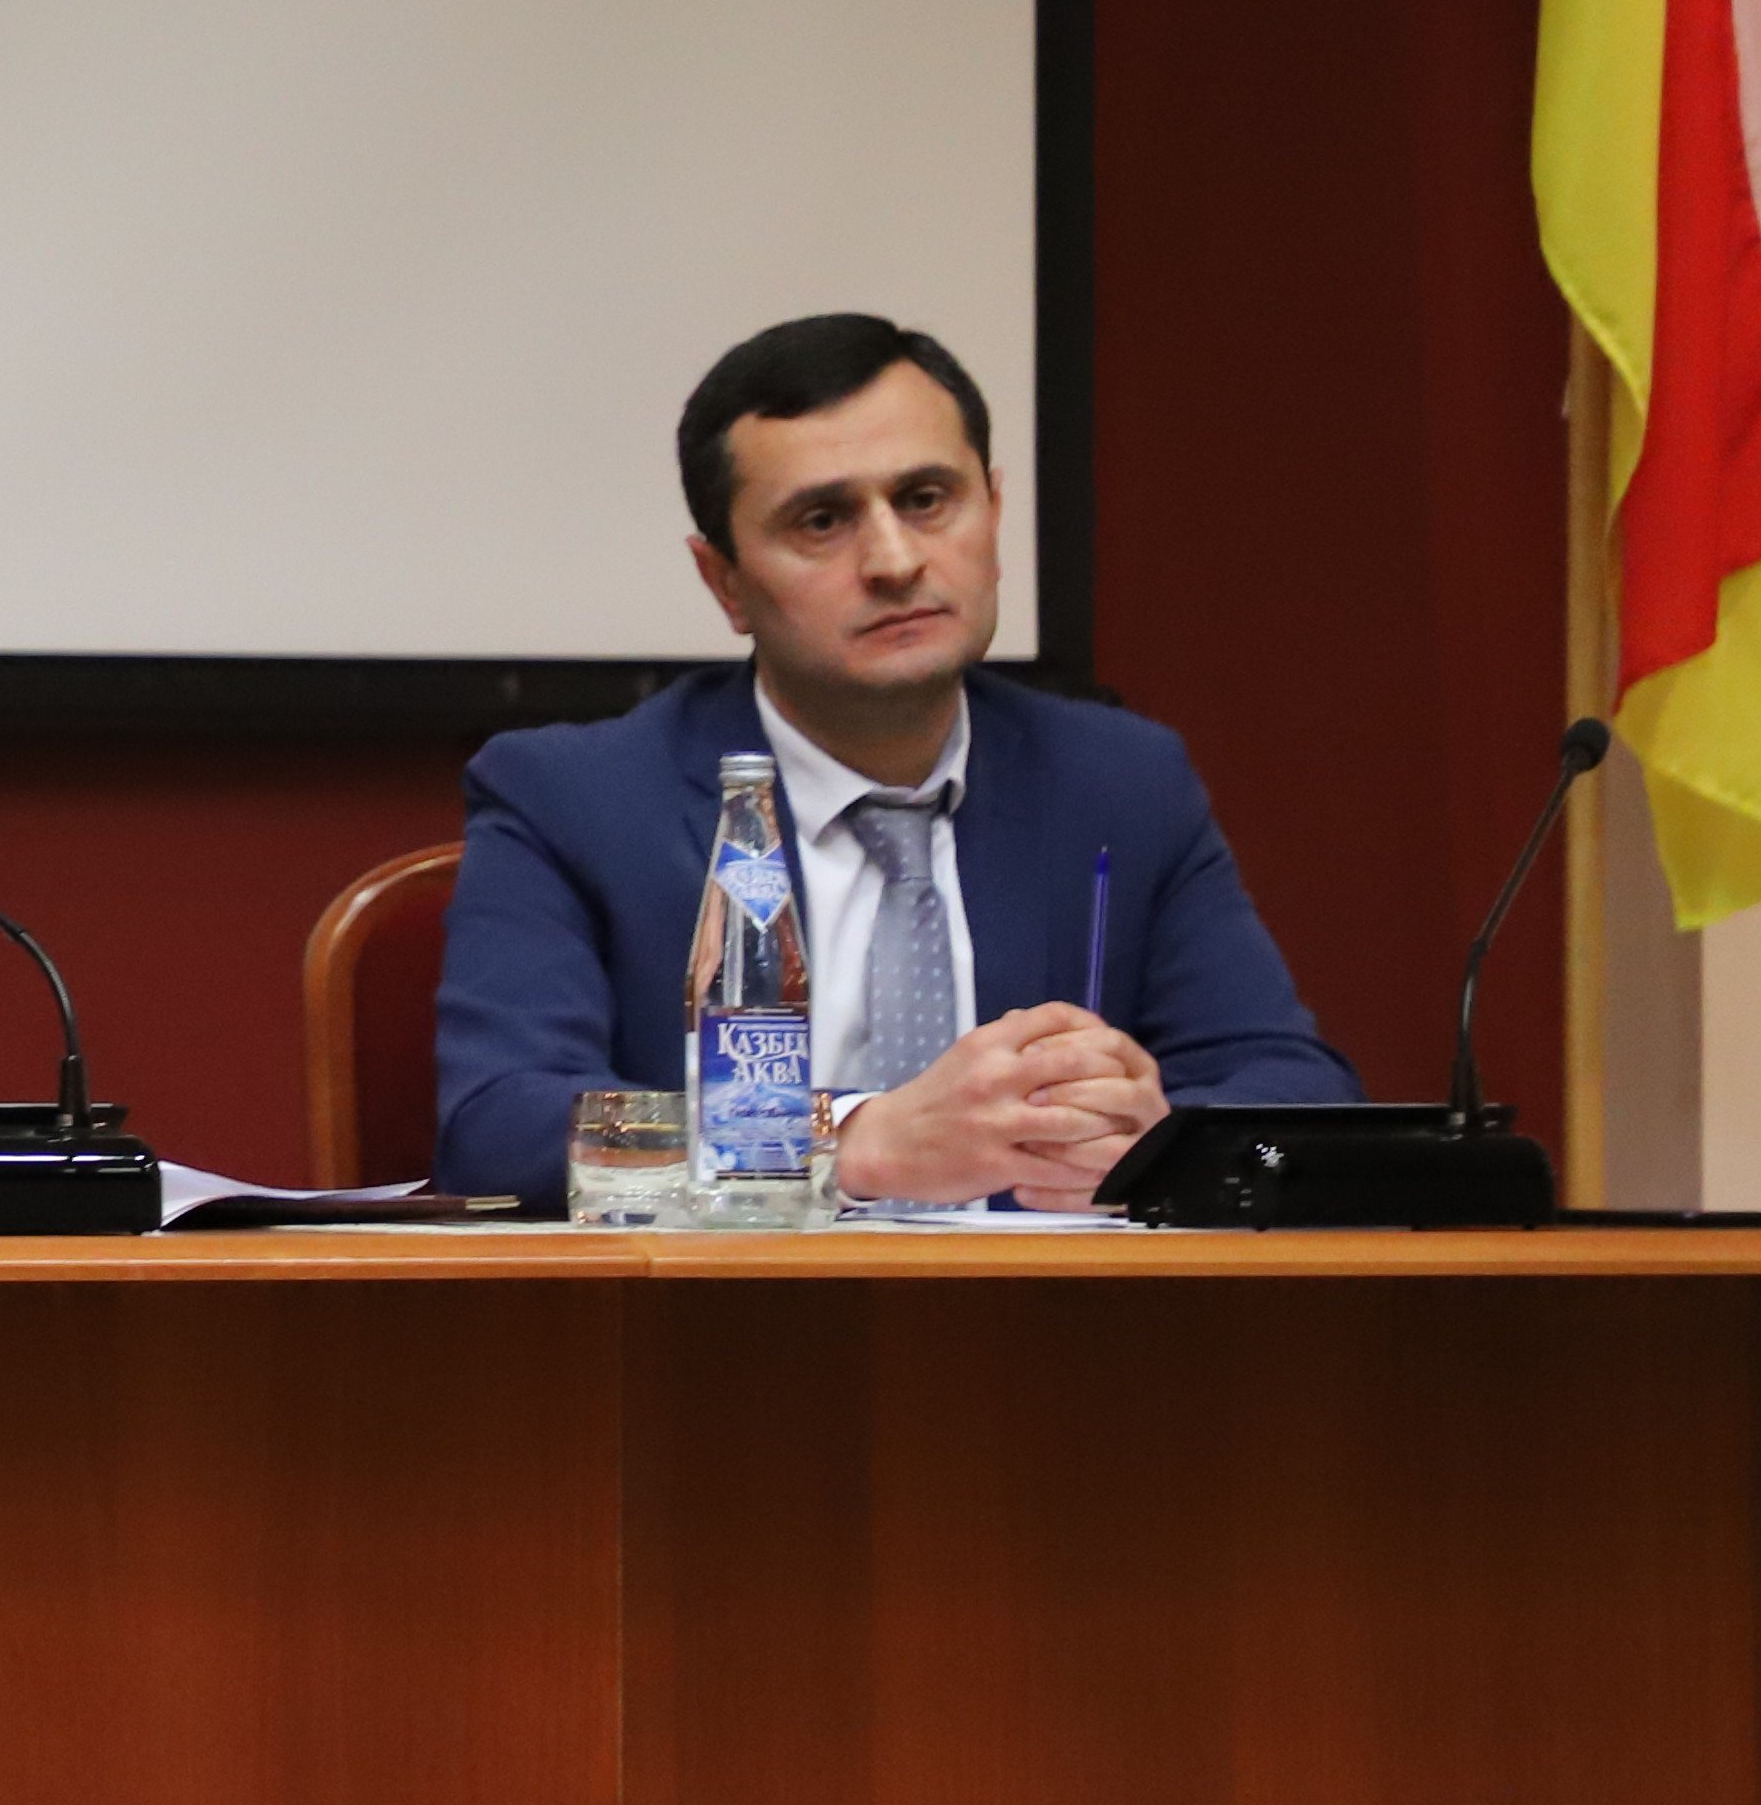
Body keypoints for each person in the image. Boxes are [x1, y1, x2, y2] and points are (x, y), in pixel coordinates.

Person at [431, 312, 1352, 1208]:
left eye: (925, 500)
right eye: (822, 520)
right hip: (730, 1306)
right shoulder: (577, 800)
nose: (894, 560)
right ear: (726, 582)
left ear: (993, 513)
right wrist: (856, 1139)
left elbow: (1298, 1093)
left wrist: (1166, 1143)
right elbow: (499, 1126)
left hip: (1056, 1305)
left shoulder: (1120, 781)